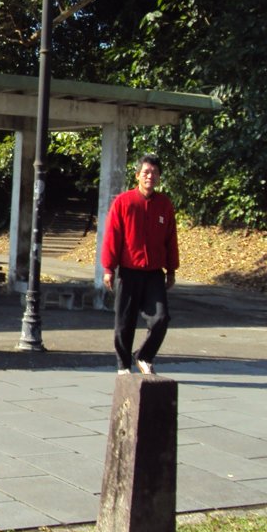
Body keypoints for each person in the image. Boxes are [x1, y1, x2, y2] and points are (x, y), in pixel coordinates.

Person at [100, 154, 179, 375]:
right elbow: (112, 236)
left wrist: (171, 269)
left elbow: (170, 239)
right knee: (124, 322)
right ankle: (123, 365)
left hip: (154, 273)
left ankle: (144, 356)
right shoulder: (124, 202)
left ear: (159, 177)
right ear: (137, 176)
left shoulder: (164, 205)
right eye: (146, 172)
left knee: (161, 318)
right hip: (129, 272)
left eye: (154, 173)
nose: (150, 177)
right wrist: (108, 268)